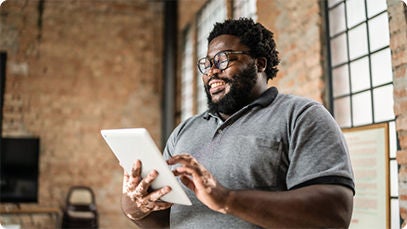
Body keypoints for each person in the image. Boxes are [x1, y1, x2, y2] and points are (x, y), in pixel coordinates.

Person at [121, 18, 354, 228]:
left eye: (223, 59)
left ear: (260, 64)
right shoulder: (184, 130)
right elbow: (167, 222)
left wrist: (227, 199)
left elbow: (335, 215)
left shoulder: (301, 115)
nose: (211, 71)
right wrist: (136, 208)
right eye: (207, 63)